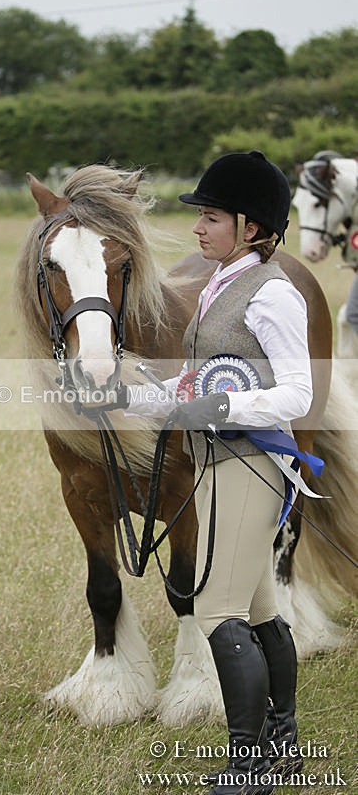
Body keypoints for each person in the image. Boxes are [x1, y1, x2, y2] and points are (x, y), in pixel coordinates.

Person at [127, 151, 313, 795]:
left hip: (251, 464)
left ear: (250, 227)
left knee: (216, 609)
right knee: (259, 608)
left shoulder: (273, 294)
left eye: (211, 217)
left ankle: (249, 767)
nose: (198, 227)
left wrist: (227, 407)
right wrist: (127, 398)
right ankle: (282, 744)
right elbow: (195, 384)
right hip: (216, 463)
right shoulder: (219, 285)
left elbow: (297, 393)